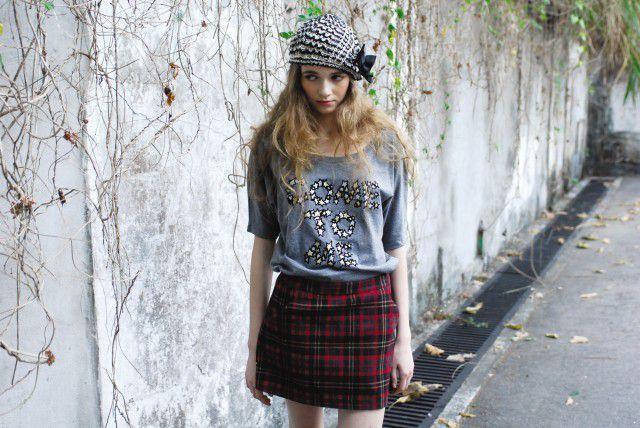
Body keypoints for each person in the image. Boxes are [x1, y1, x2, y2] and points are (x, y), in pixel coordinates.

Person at [243, 13, 416, 428]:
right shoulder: (274, 145)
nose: (324, 90)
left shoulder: (385, 143)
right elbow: (262, 249)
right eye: (312, 76)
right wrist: (254, 348)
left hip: (369, 308)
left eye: (336, 77)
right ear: (296, 78)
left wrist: (404, 339)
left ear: (353, 77)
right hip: (298, 308)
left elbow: (395, 245)